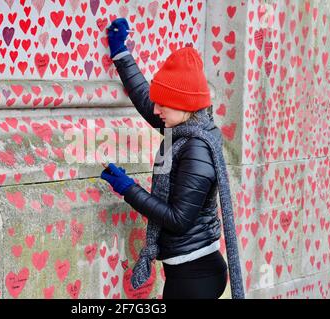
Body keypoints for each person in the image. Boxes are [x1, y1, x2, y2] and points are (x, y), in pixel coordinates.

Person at [100, 18, 245, 299]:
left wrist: (128, 189)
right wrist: (120, 53)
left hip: (195, 279)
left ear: (183, 105)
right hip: (190, 272)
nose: (156, 109)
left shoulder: (195, 148)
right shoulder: (187, 125)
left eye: (162, 104)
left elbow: (178, 219)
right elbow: (146, 99)